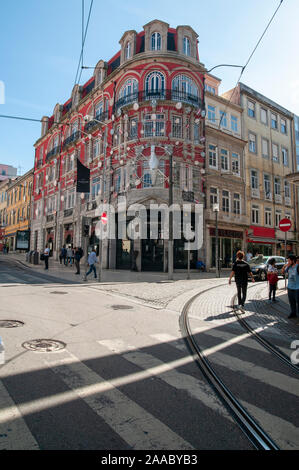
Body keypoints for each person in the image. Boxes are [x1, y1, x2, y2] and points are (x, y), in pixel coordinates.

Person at [282, 254, 299, 318]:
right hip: (290, 287)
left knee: (298, 302)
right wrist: (285, 266)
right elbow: (283, 272)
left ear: (293, 261)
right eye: (287, 261)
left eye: (289, 261)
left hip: (297, 288)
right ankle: (293, 313)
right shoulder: (288, 267)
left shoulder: (298, 267)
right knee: (291, 302)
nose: (288, 262)